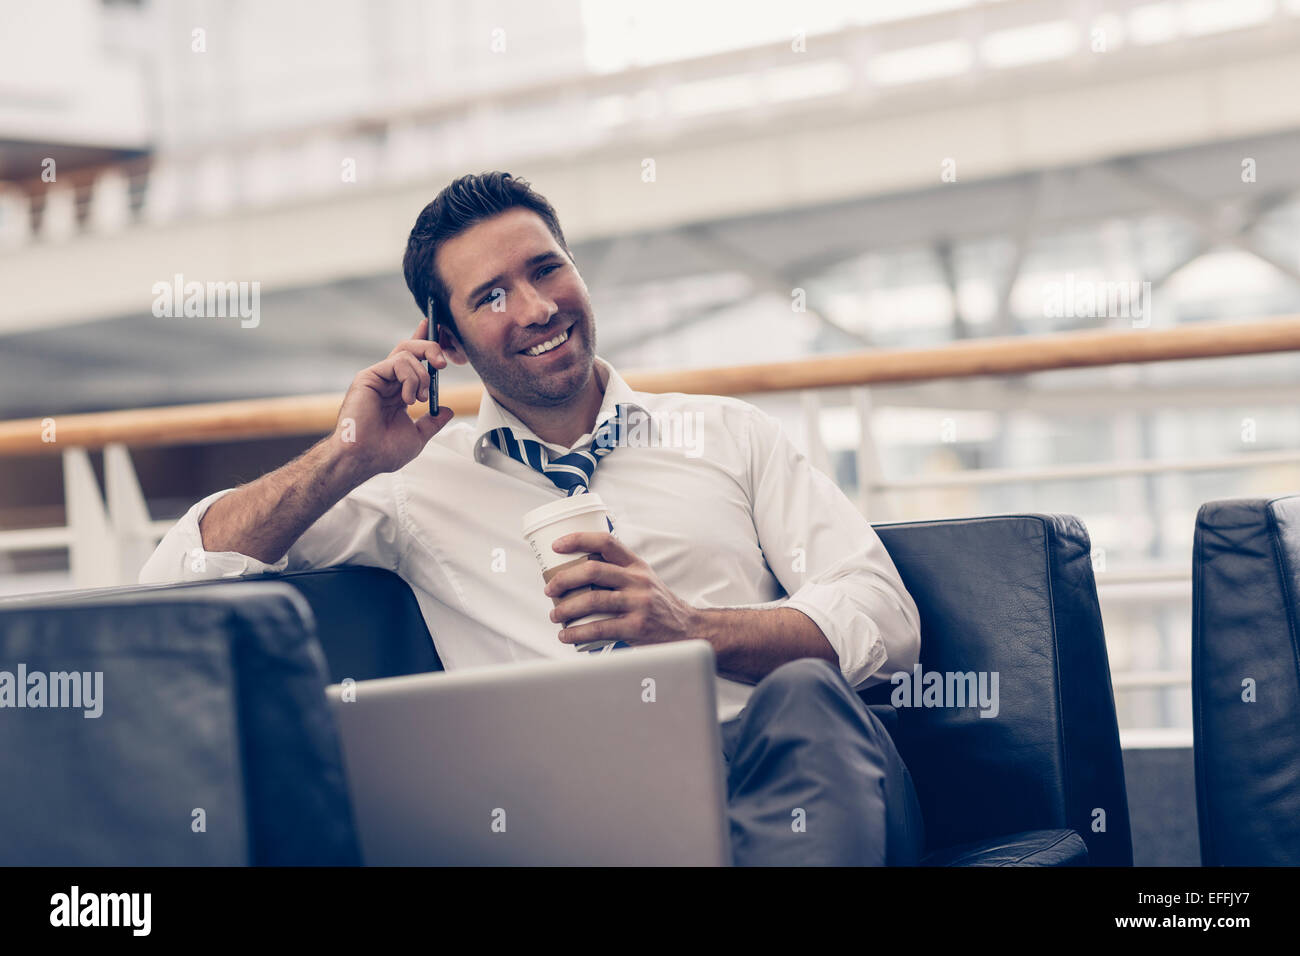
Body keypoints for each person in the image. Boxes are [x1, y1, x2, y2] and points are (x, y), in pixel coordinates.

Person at [140, 171, 926, 866]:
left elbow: (882, 617)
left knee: (806, 700)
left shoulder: (726, 432)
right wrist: (349, 455)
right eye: (491, 295)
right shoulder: (409, 480)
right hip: (591, 817)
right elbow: (178, 577)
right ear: (442, 338)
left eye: (547, 269)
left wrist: (688, 627)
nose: (539, 307)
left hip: (788, 774)